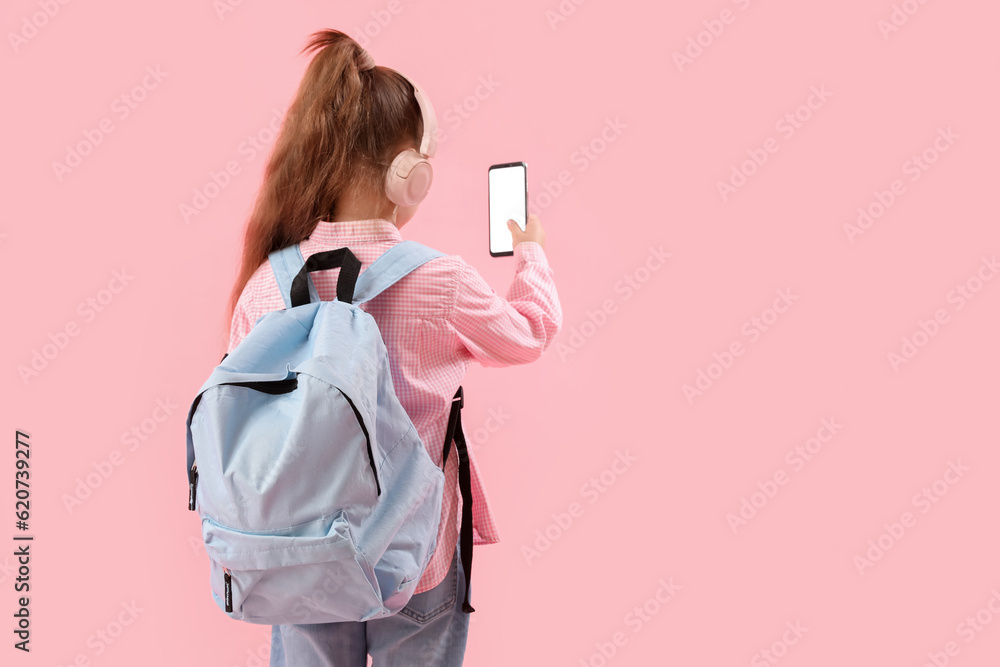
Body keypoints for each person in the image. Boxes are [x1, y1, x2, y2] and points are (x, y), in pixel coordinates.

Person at [221, 29, 563, 666]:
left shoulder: (266, 282)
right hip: (415, 558)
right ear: (411, 174)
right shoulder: (439, 279)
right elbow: (530, 333)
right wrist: (530, 251)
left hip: (299, 560)